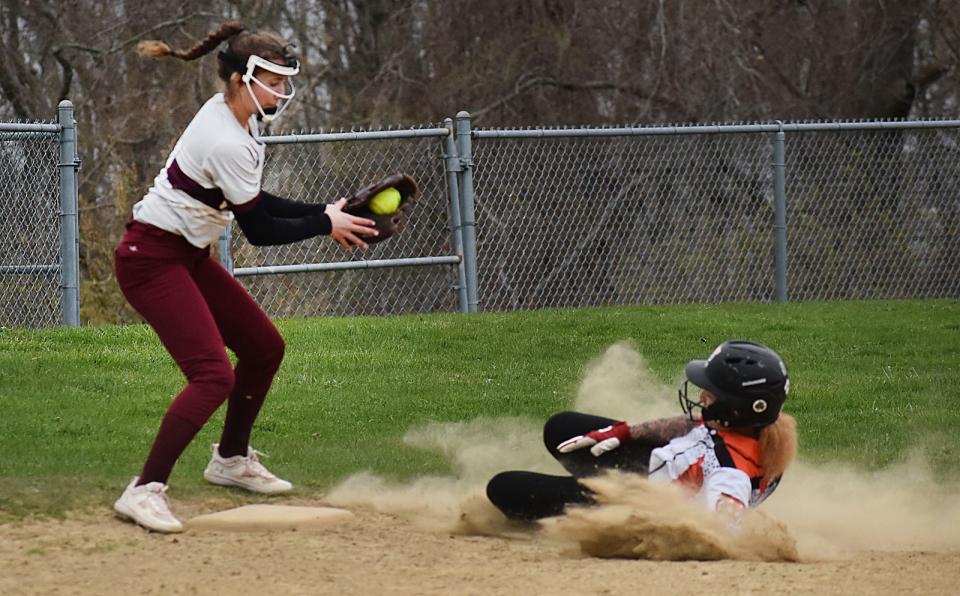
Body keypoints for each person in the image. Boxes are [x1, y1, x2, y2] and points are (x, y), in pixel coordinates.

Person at [112, 21, 379, 533]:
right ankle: (144, 490)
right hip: (151, 260)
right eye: (273, 81)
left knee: (263, 347)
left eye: (284, 81)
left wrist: (324, 210)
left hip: (183, 254)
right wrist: (326, 222)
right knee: (213, 376)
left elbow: (253, 200)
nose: (282, 91)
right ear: (240, 78)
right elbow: (258, 229)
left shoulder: (237, 118)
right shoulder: (225, 136)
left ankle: (230, 460)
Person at [486, 340, 797, 522]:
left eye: (711, 393)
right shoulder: (752, 430)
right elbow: (697, 428)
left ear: (736, 409)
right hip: (655, 463)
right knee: (561, 427)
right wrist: (625, 432)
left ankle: (574, 501)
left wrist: (620, 520)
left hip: (636, 498)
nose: (702, 395)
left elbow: (721, 529)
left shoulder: (731, 475)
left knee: (504, 488)